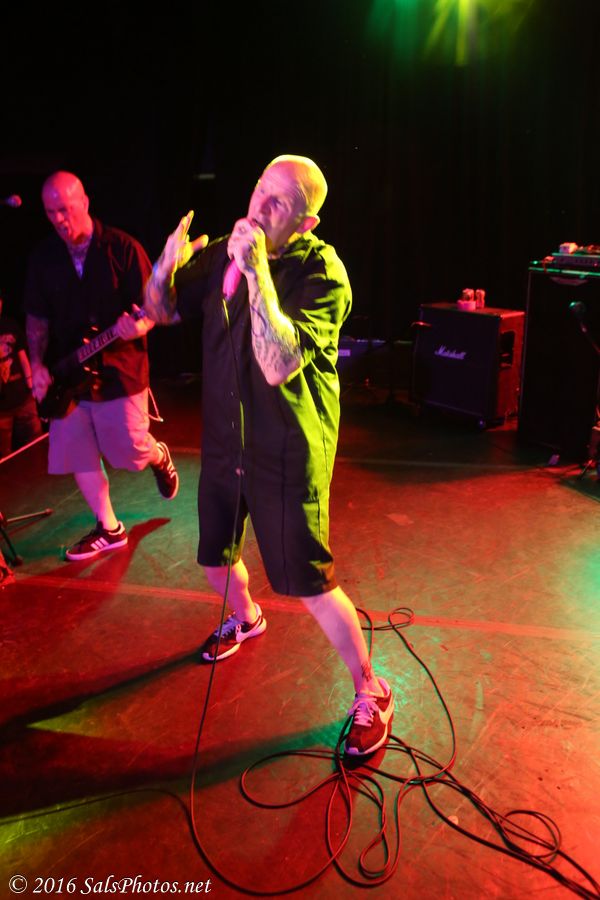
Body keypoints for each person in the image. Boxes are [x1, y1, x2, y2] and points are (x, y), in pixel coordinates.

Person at [144, 154, 393, 757]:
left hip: (286, 447)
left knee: (309, 583)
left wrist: (256, 273)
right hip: (224, 441)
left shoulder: (322, 273)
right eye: (260, 188)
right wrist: (164, 268)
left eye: (279, 202)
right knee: (214, 560)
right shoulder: (225, 251)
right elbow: (159, 311)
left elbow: (279, 364)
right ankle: (247, 616)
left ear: (306, 222)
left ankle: (372, 688)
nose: (260, 205)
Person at [23, 171, 179, 561]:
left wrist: (137, 326)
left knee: (129, 451)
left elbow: (154, 309)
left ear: (85, 203)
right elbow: (37, 318)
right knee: (76, 451)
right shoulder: (43, 257)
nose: (59, 219)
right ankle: (109, 528)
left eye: (65, 209)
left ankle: (158, 455)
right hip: (67, 371)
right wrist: (38, 365)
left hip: (119, 367)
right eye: (50, 212)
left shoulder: (123, 249)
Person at [0, 289, 43, 458]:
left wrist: (32, 387)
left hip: (24, 399)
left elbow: (23, 356)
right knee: (4, 457)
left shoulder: (10, 325)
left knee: (35, 444)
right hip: (1, 411)